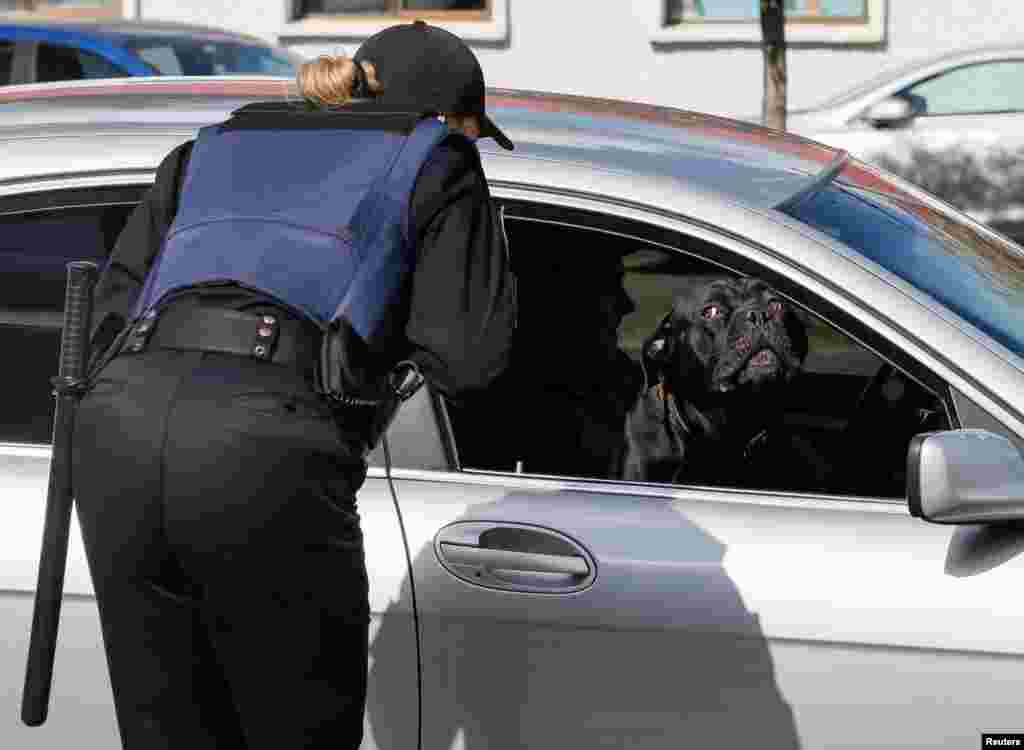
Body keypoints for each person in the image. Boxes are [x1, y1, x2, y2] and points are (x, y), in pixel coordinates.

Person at [71, 21, 515, 750]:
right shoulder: (437, 159)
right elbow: (471, 360)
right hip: (263, 449)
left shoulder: (209, 147)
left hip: (116, 433)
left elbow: (109, 320)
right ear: (441, 116)